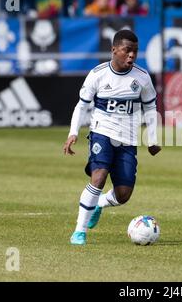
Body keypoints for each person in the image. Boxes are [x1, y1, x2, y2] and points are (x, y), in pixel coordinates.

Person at [63, 29, 161, 245]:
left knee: (124, 194)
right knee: (98, 177)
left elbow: (151, 108)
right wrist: (73, 133)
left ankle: (100, 204)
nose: (132, 56)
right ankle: (79, 231)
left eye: (135, 51)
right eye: (127, 50)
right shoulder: (98, 74)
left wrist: (152, 139)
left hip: (128, 139)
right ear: (114, 50)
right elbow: (81, 106)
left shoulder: (142, 77)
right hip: (102, 132)